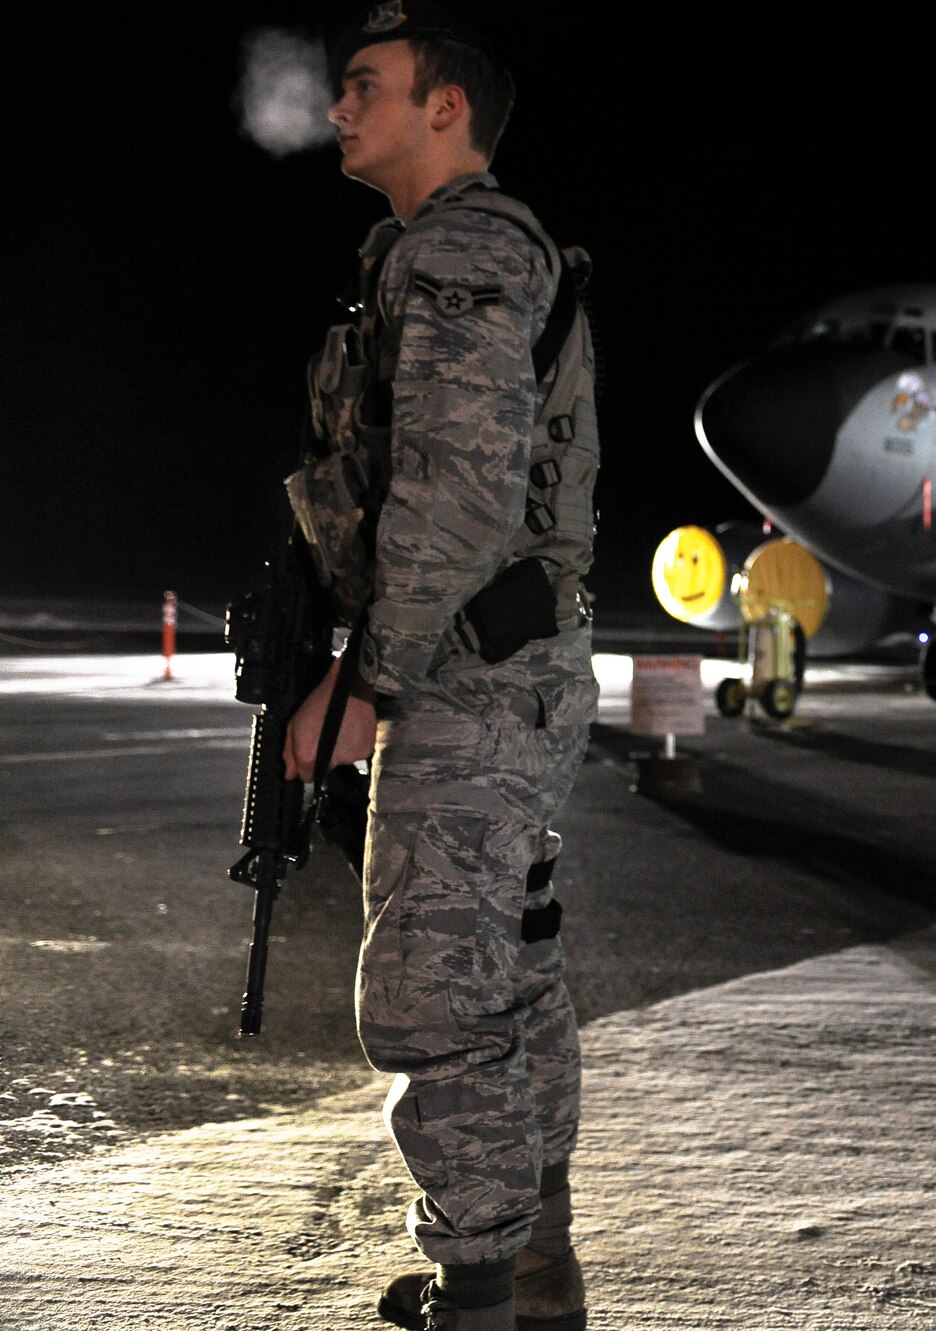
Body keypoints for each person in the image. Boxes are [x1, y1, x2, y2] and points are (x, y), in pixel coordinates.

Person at [281, 4, 599, 1328]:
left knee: (431, 993)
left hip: (469, 674)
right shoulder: (445, 251)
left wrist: (367, 679)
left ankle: (481, 1301)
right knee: (505, 973)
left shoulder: (463, 248)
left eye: (368, 85)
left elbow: (460, 492)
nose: (339, 108)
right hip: (504, 665)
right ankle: (531, 1274)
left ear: (444, 107)